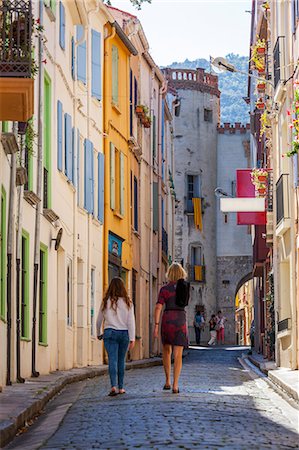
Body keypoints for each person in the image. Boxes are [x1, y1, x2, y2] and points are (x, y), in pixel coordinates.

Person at [154, 262, 189, 394]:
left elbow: (158, 307)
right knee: (178, 354)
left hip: (167, 319)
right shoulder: (184, 288)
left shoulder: (164, 289)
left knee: (166, 351)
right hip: (180, 319)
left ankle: (167, 381)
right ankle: (175, 385)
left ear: (169, 274)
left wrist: (156, 325)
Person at [96, 277, 135, 396]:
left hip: (109, 332)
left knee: (112, 360)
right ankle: (121, 387)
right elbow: (131, 321)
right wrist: (132, 338)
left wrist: (98, 333)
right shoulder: (128, 302)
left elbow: (99, 320)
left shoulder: (106, 301)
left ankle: (113, 386)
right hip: (124, 333)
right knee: (121, 361)